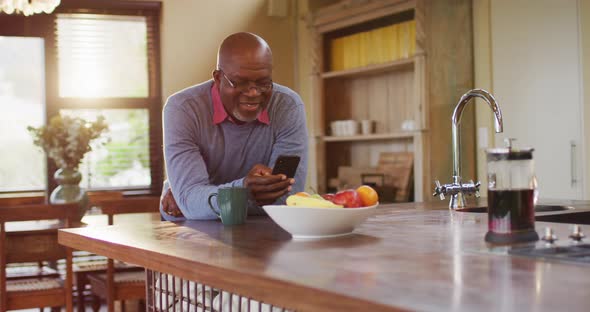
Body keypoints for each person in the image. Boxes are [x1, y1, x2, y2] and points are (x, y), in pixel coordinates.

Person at [160, 32, 308, 221]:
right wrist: (245, 190)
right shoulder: (183, 109)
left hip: (257, 227)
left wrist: (205, 200)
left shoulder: (287, 106)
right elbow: (190, 205)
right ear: (218, 78)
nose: (253, 93)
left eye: (263, 83)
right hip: (191, 228)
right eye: (240, 83)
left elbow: (286, 201)